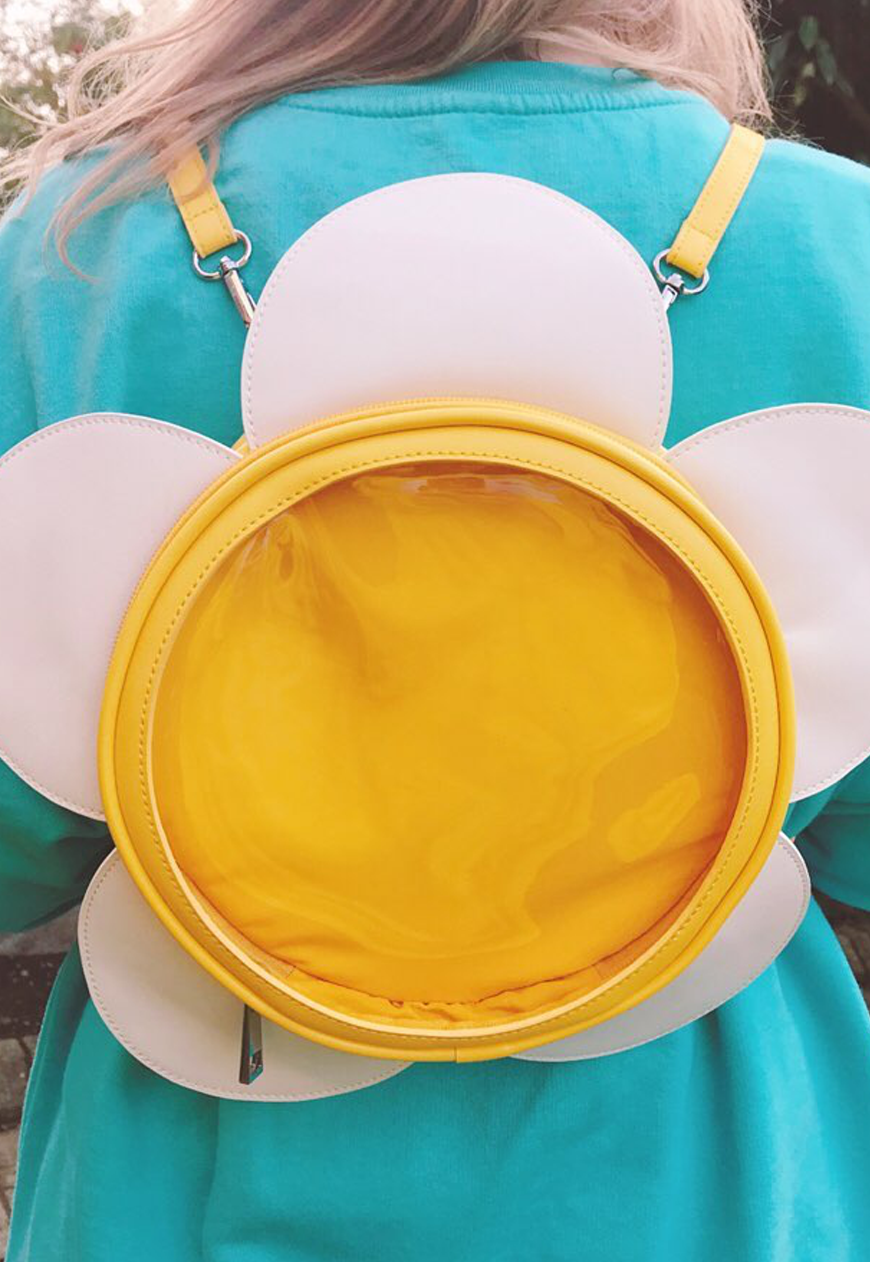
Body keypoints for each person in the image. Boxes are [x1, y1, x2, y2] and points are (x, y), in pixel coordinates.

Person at [2, 1, 870, 1258]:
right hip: (700, 1182)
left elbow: (15, 841)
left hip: (190, 1166)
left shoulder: (75, 250)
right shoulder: (837, 244)